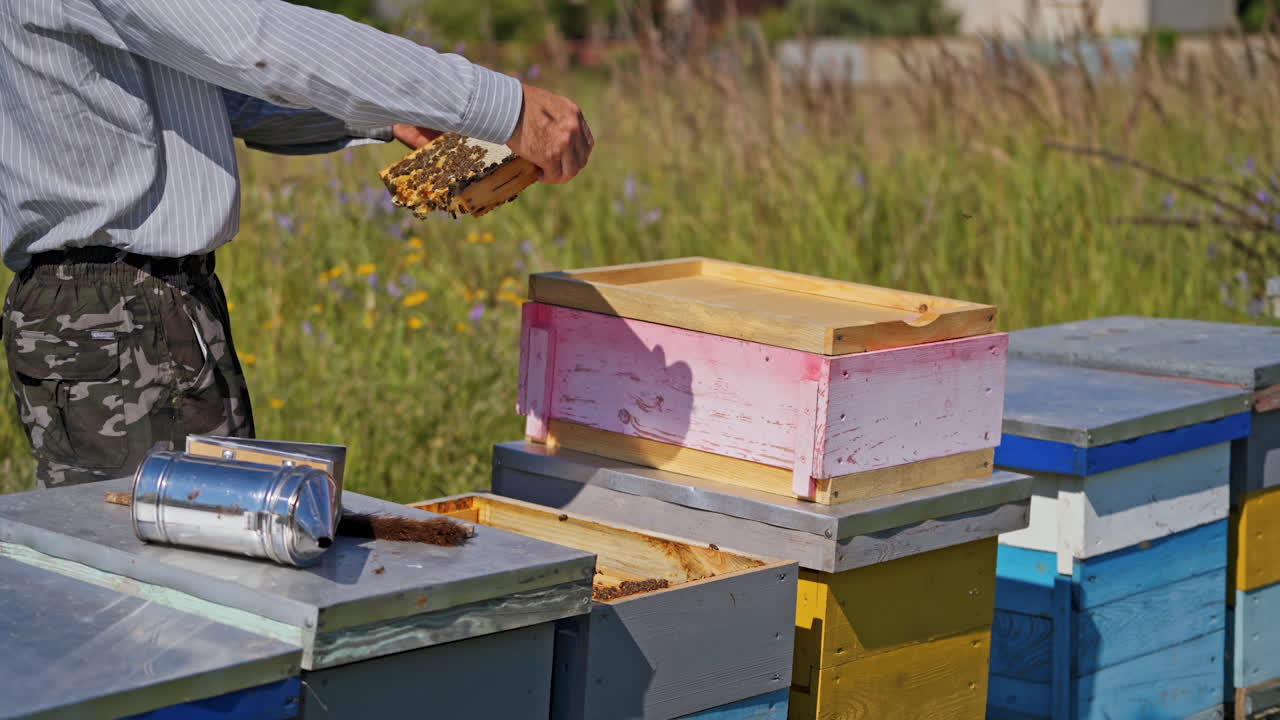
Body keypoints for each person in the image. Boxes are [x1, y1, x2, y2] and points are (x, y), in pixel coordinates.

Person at [0, 0, 594, 489]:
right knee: (175, 582)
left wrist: (384, 117)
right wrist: (501, 105)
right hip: (119, 314)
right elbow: (253, 40)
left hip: (138, 304)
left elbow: (216, 94)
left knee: (192, 562)